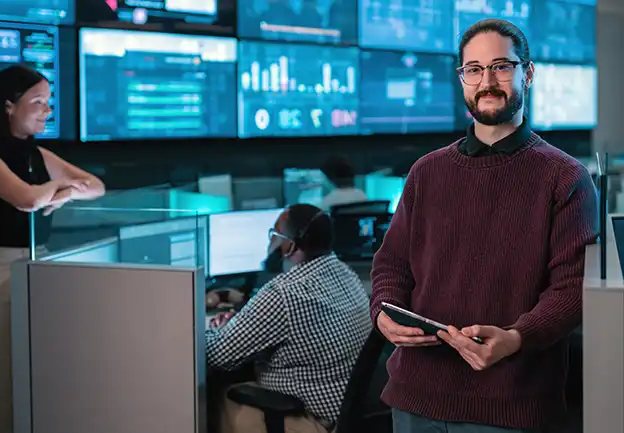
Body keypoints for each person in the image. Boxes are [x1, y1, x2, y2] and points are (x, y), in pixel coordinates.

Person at [368, 19, 597, 433]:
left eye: (501, 67)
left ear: (527, 73)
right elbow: (392, 264)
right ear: (462, 79)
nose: (486, 81)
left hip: (510, 405)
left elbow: (572, 287)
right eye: (473, 69)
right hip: (415, 399)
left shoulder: (565, 177)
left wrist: (516, 337)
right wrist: (382, 311)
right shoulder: (426, 172)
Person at [0, 65, 105, 433]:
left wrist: (65, 191)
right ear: (8, 106)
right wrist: (63, 190)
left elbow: (96, 185)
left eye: (48, 102)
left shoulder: (37, 154)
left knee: (29, 390)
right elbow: (27, 199)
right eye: (38, 101)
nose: (47, 111)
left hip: (35, 272)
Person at [207, 204, 372, 433]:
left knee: (217, 394)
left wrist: (218, 329)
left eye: (274, 235)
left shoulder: (284, 294)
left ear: (290, 245)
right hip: (344, 412)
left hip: (307, 416)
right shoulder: (347, 274)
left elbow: (217, 354)